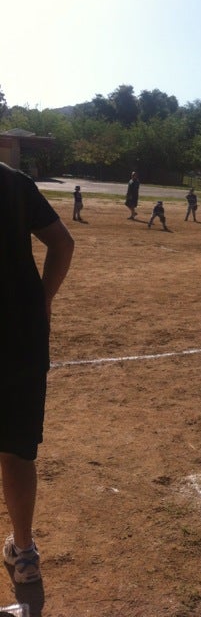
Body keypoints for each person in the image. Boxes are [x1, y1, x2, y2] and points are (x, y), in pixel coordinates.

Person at [0, 162, 74, 584]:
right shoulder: (13, 182)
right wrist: (42, 300)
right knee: (17, 450)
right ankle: (24, 553)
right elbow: (62, 244)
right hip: (21, 338)